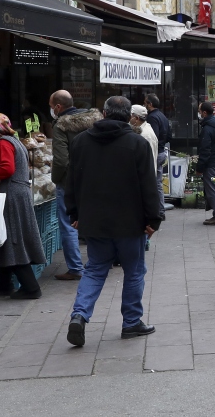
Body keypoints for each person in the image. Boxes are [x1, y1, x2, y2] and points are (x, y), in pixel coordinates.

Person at [64, 96, 164, 347]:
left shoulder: (80, 142)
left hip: (94, 220)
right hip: (130, 222)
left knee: (95, 269)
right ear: (128, 115)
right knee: (134, 271)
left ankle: (79, 315)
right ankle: (131, 322)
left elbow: (71, 182)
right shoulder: (136, 144)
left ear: (105, 114)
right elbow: (149, 186)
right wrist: (154, 218)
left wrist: (74, 213)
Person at [0, 114, 46, 299]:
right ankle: (2, 284)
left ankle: (31, 288)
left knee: (13, 239)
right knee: (5, 237)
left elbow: (7, 169)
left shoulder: (3, 143)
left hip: (12, 195)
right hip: (19, 193)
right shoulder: (15, 141)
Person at [49, 91, 101, 280]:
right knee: (94, 220)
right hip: (95, 179)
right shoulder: (94, 120)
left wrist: (56, 179)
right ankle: (100, 261)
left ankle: (75, 268)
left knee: (69, 224)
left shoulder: (61, 126)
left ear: (58, 107)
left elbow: (61, 161)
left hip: (70, 182)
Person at [196, 102, 215, 225]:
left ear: (204, 112)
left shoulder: (207, 129)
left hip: (212, 163)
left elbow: (205, 151)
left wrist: (199, 167)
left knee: (212, 190)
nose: (198, 113)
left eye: (199, 111)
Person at [129, 105, 164, 213]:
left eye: (130, 116)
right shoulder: (143, 130)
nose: (129, 118)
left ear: (136, 118)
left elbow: (149, 159)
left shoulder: (145, 134)